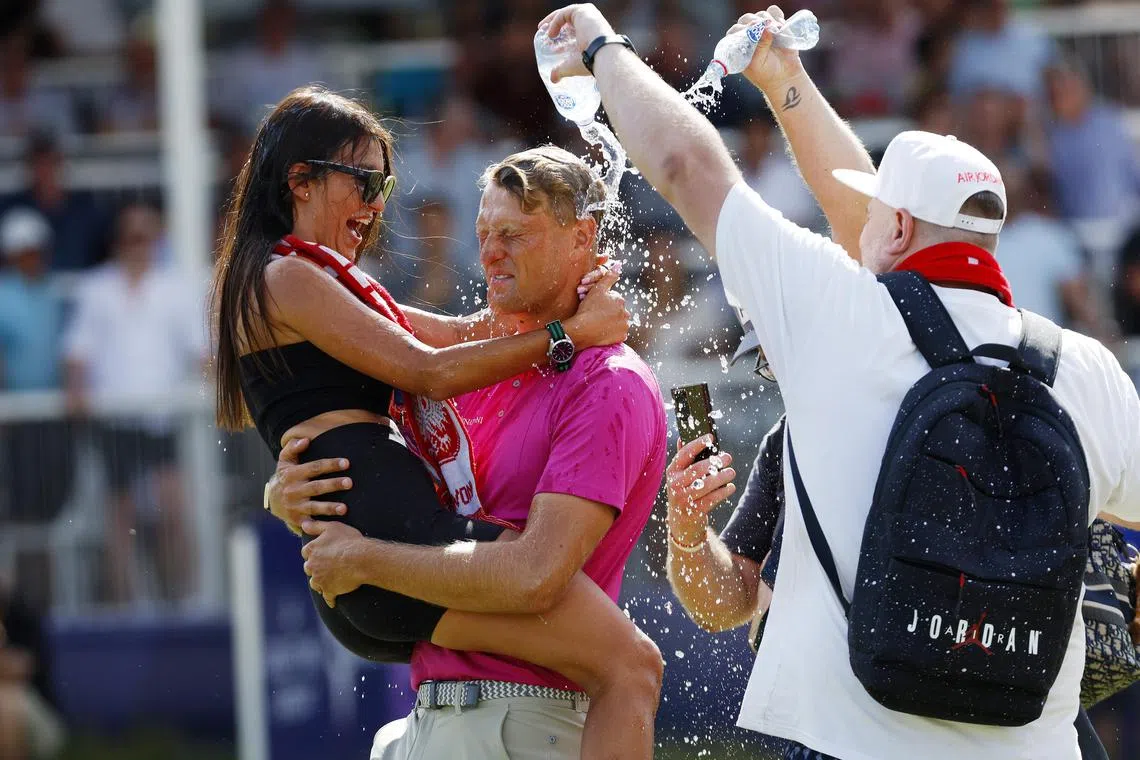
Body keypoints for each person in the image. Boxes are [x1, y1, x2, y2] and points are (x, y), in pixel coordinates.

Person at [540, 4, 1140, 757]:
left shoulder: (839, 314)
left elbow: (688, 166)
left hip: (847, 740)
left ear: (892, 230)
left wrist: (602, 46)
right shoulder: (1084, 369)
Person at [216, 87, 665, 759]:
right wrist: (568, 333)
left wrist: (572, 308)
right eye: (363, 180)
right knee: (629, 664)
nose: (375, 204)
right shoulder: (287, 276)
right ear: (300, 181)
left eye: (384, 184)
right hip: (387, 533)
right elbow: (429, 371)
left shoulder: (310, 276)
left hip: (371, 543)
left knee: (617, 658)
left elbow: (460, 334)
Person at [63, 201, 205, 604]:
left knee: (173, 512)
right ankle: (126, 608)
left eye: (146, 235)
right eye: (132, 236)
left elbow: (201, 353)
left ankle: (183, 603)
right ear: (118, 241)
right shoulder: (96, 289)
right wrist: (76, 391)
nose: (139, 244)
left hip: (162, 419)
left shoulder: (176, 288)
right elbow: (77, 353)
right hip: (115, 421)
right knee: (119, 521)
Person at [0, 208, 73, 524]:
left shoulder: (52, 293)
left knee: (53, 499)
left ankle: (42, 570)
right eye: (25, 252)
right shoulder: (4, 295)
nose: (32, 258)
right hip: (14, 420)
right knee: (21, 501)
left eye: (36, 251)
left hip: (53, 415)